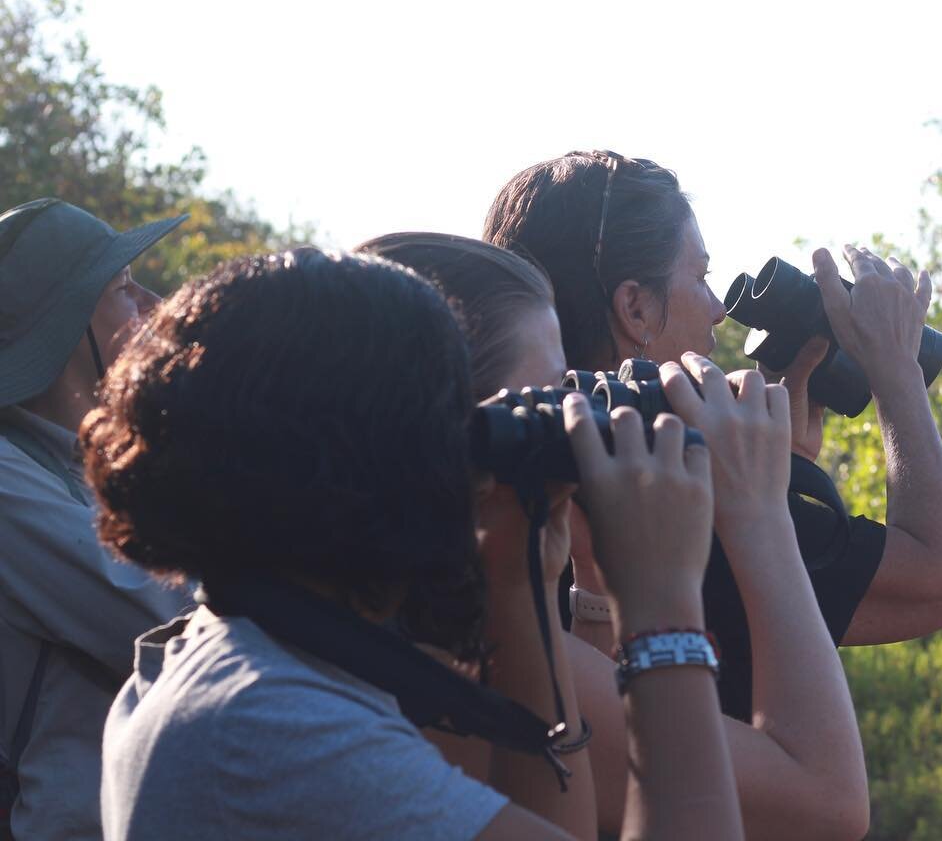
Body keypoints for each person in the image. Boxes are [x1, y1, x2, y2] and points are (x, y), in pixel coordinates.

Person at [82, 248, 743, 840]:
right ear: (380, 462)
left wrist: (520, 582)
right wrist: (661, 607)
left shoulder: (241, 657)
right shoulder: (267, 725)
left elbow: (550, 827)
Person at [362, 233, 869, 840]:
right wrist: (756, 517)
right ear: (462, 435)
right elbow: (826, 808)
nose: (576, 419)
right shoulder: (416, 656)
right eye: (548, 402)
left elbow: (571, 813)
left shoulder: (372, 619)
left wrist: (589, 577)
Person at [482, 151, 942, 717]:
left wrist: (784, 464)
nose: (719, 310)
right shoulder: (678, 492)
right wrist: (896, 372)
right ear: (635, 308)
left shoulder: (510, 475)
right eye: (701, 277)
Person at [0, 198, 191, 841]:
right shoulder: (5, 480)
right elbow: (159, 614)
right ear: (67, 320)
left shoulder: (97, 460)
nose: (152, 302)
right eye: (122, 288)